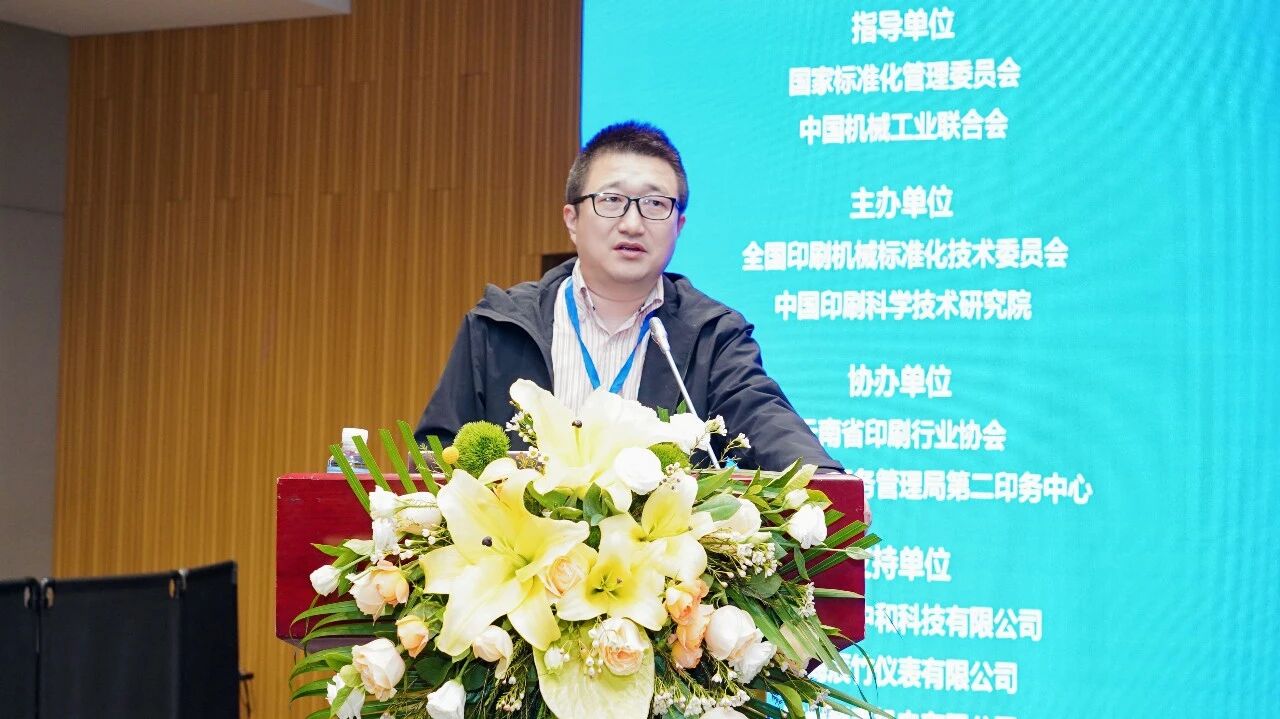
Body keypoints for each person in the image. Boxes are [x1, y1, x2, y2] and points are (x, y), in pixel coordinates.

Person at [415, 121, 842, 472]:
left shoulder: (712, 335)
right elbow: (436, 454)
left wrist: (823, 480)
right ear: (572, 219)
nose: (633, 224)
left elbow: (763, 417)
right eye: (612, 200)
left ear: (678, 225)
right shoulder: (498, 326)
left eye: (655, 204)